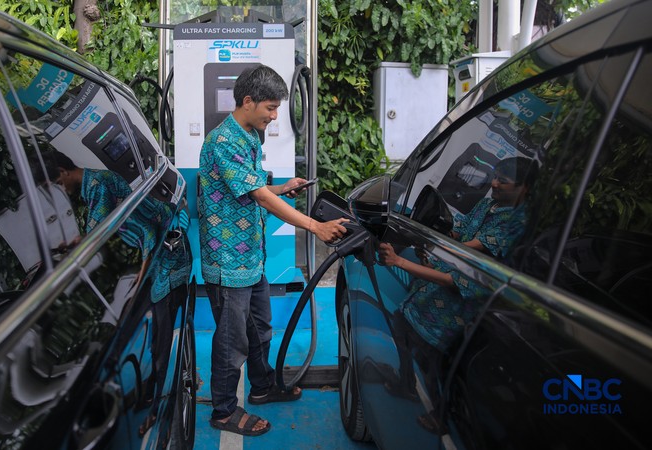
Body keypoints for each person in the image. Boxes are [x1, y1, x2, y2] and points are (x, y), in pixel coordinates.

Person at [198, 65, 348, 437]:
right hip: (228, 261)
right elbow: (257, 195)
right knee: (232, 342)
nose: (274, 115)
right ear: (247, 102)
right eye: (270, 107)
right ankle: (223, 411)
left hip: (250, 257)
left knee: (260, 328)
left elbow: (254, 187)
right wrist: (315, 227)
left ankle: (262, 388)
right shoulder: (224, 142)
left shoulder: (248, 135)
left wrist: (283, 187)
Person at [378, 156, 537, 435]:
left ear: (525, 188)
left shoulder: (517, 223)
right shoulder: (489, 203)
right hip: (434, 289)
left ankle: (442, 415)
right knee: (401, 324)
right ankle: (406, 384)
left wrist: (401, 262)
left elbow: (463, 262)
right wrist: (434, 230)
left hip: (462, 301)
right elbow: (458, 233)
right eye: (495, 176)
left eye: (503, 180)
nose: (494, 183)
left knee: (434, 360)